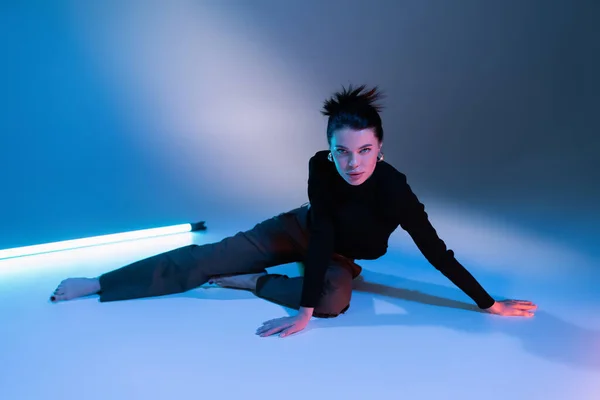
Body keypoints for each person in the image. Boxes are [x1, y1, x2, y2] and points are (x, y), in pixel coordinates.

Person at [50, 85, 537, 337]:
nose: (353, 163)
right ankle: (101, 283)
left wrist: (486, 303)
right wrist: (299, 313)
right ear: (328, 150)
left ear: (381, 150)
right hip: (297, 229)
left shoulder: (395, 190)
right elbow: (320, 229)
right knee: (207, 258)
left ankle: (253, 281)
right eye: (342, 152)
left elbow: (435, 251)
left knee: (331, 302)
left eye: (364, 151)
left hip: (340, 257)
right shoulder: (320, 168)